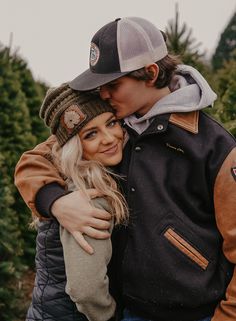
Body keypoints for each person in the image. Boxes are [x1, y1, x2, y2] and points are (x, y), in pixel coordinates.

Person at [15, 17, 236, 321]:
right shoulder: (114, 125)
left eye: (113, 85)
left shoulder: (215, 147)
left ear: (151, 73)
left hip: (197, 314)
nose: (103, 94)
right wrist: (56, 201)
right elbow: (34, 160)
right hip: (128, 310)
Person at [23, 83, 128, 321]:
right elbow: (86, 289)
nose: (109, 138)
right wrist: (110, 316)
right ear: (75, 147)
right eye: (91, 134)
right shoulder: (90, 198)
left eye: (111, 123)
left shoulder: (71, 177)